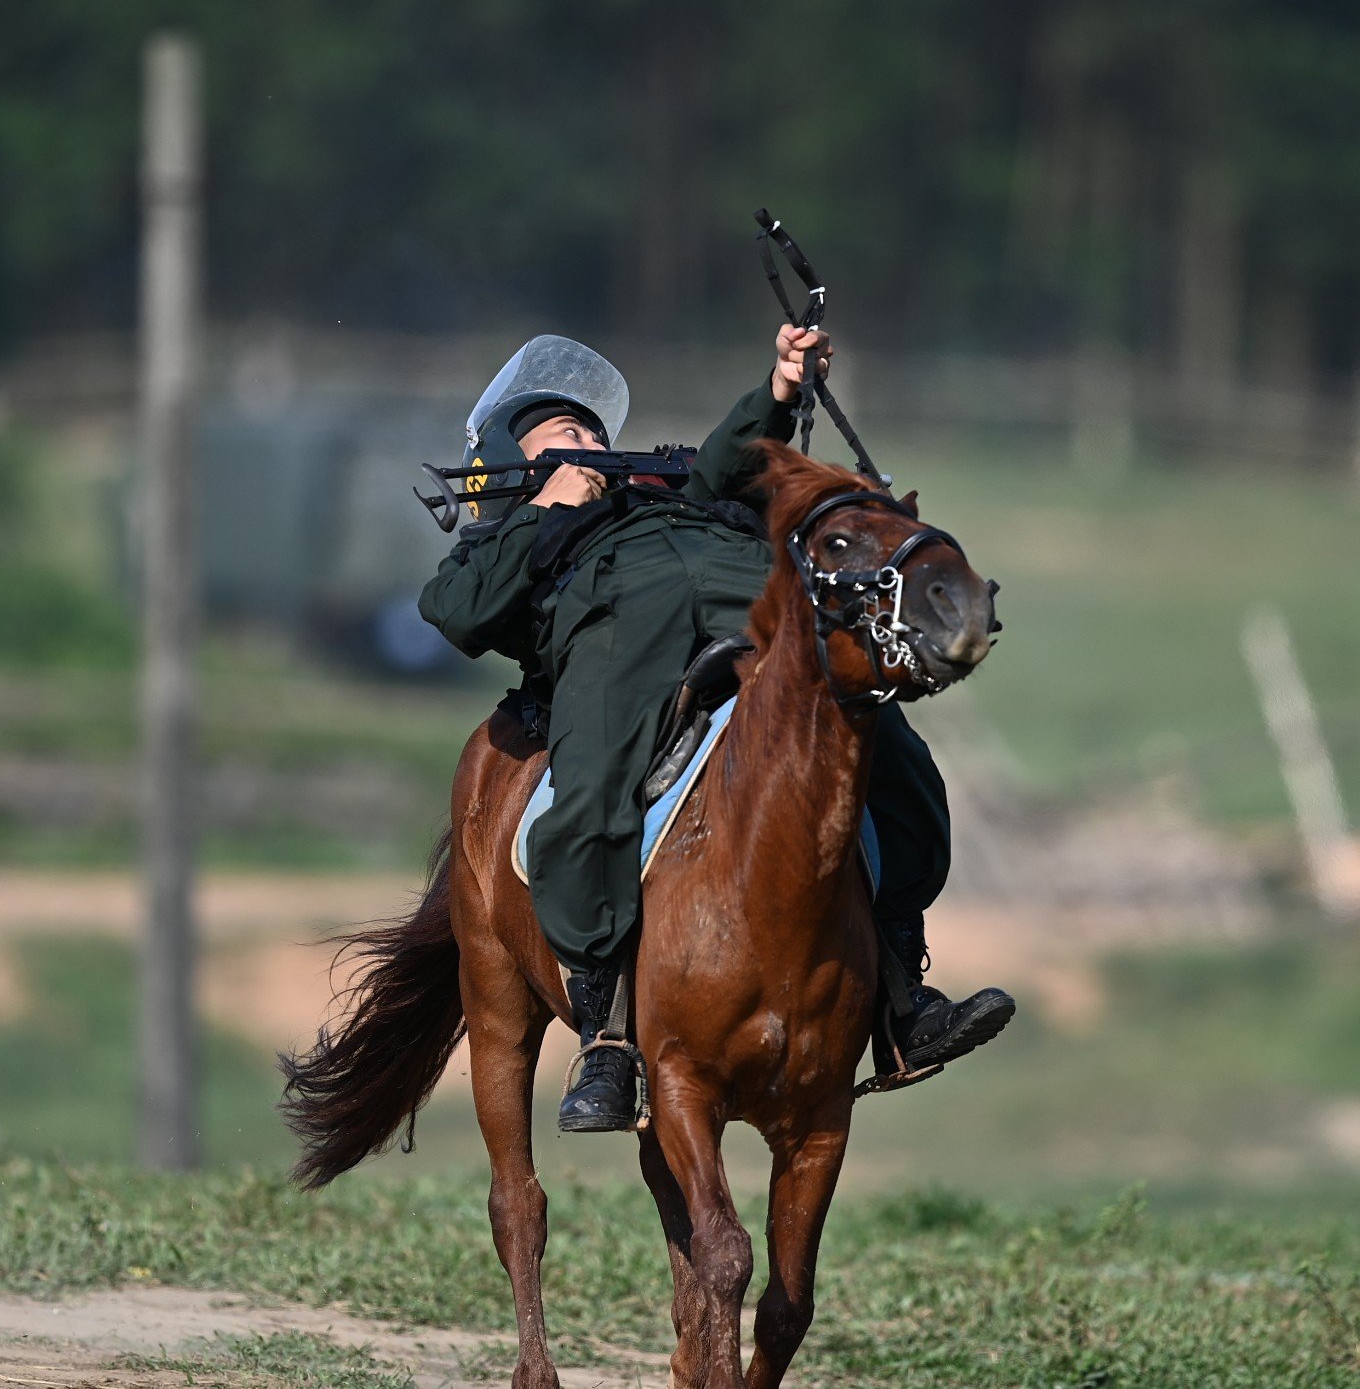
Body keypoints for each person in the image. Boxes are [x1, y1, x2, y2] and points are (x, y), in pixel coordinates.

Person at [420, 326, 1014, 1132]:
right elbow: (456, 608)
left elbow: (729, 464)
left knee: (884, 746)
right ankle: (606, 1035)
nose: (589, 440)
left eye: (592, 430)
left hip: (751, 606)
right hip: (619, 628)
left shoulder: (664, 490)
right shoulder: (523, 531)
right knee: (591, 786)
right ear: (517, 469)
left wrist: (777, 388)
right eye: (564, 435)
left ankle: (903, 997)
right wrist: (544, 513)